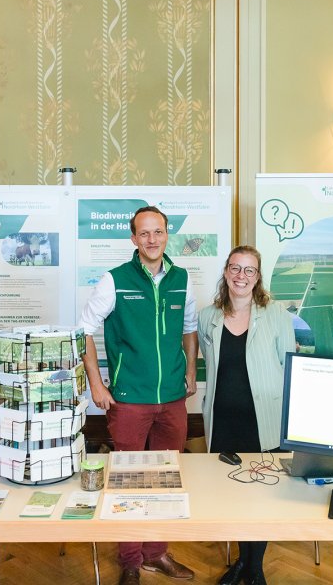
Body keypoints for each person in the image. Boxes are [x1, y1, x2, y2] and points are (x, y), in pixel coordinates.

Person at [80, 206, 198, 585]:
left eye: (158, 232)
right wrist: (97, 384)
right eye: (144, 233)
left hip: (172, 399)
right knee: (128, 481)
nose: (152, 239)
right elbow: (84, 330)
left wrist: (191, 372)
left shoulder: (182, 278)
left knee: (166, 478)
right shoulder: (114, 280)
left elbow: (190, 329)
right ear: (133, 238)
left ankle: (156, 553)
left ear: (167, 235)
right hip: (129, 399)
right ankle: (130, 560)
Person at [197, 245, 296, 585]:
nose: (241, 276)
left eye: (249, 270)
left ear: (257, 277)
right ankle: (242, 560)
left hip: (263, 419)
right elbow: (211, 362)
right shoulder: (208, 316)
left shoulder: (276, 314)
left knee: (262, 495)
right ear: (226, 272)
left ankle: (254, 567)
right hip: (224, 422)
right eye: (235, 268)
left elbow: (288, 365)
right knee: (234, 494)